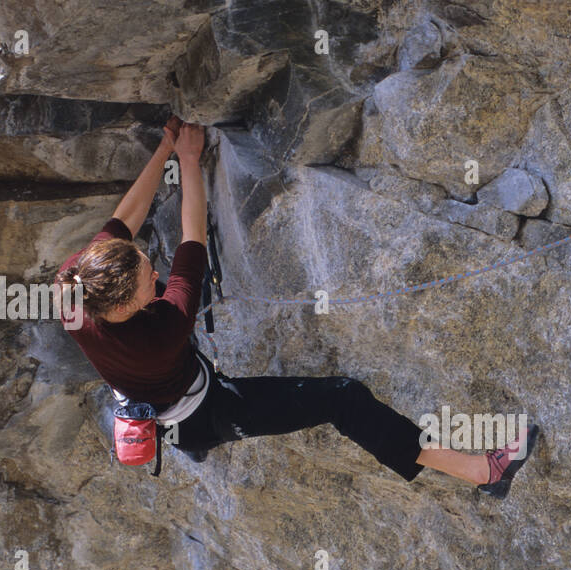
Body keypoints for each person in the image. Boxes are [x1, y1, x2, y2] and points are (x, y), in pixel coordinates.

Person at [54, 117, 539, 497]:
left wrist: (165, 150)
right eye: (147, 285)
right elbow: (192, 235)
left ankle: (183, 434)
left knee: (167, 367)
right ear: (126, 307)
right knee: (342, 398)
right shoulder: (163, 329)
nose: (155, 275)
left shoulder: (73, 287)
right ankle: (482, 472)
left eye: (144, 263)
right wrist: (189, 159)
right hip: (205, 412)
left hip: (150, 385)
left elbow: (125, 217)